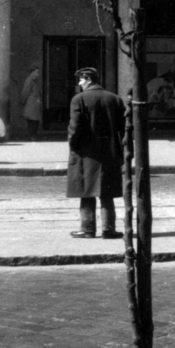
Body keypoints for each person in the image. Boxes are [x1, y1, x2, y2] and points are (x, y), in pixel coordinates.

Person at [66, 67, 125, 238]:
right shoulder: (115, 99)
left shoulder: (79, 99)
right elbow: (124, 128)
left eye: (81, 80)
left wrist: (72, 144)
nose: (79, 83)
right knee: (106, 192)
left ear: (89, 79)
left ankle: (87, 229)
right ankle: (108, 228)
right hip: (109, 153)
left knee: (86, 190)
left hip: (86, 154)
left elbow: (74, 127)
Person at [19, 65, 42, 140]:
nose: (38, 74)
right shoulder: (29, 81)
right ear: (32, 72)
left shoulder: (32, 81)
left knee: (34, 122)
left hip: (34, 106)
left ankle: (32, 136)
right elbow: (25, 92)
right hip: (31, 106)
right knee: (32, 122)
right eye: (37, 72)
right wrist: (22, 101)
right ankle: (32, 137)